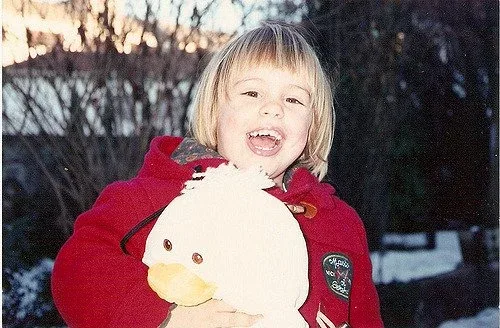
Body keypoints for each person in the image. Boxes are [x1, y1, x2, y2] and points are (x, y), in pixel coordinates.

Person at [52, 22, 383, 327]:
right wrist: (169, 318)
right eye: (252, 93)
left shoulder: (341, 224)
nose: (273, 108)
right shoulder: (159, 193)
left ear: (314, 126)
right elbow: (76, 270)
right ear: (215, 112)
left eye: (293, 99)